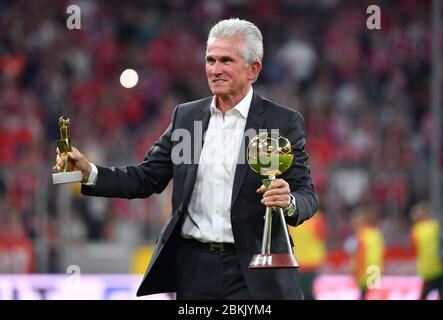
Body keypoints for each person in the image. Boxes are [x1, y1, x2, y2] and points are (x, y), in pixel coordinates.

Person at [53, 18, 318, 300]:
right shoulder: (187, 117)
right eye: (210, 60)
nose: (215, 70)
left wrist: (288, 202)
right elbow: (146, 178)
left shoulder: (282, 121)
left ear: (253, 69)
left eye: (226, 60)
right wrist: (90, 172)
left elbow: (307, 196)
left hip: (253, 270)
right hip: (196, 270)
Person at [409, 201, 443, 300]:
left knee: (425, 294)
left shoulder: (416, 230)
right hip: (441, 265)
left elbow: (413, 249)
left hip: (427, 268)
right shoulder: (435, 226)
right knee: (441, 292)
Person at [346, 206, 384, 300]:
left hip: (364, 270)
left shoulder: (361, 235)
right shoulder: (376, 233)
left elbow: (357, 254)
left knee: (364, 294)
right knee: (369, 294)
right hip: (375, 269)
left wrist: (355, 269)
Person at [289, 210, 327, 300]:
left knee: (297, 292)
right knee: (309, 292)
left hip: (296, 262)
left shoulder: (289, 216)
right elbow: (322, 236)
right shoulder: (317, 218)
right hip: (311, 262)